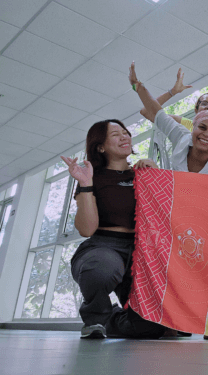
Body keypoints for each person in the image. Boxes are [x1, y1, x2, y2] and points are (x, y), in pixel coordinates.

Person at [63, 119, 166, 339]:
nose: (124, 136)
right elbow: (86, 229)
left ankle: (111, 318)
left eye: (125, 132)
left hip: (140, 250)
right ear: (100, 146)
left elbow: (164, 216)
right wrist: (86, 183)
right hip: (103, 246)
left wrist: (158, 175)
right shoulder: (92, 177)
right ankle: (95, 319)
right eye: (115, 134)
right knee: (101, 270)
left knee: (150, 327)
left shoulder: (143, 173)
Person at [130, 62, 208, 176]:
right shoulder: (181, 134)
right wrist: (137, 86)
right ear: (193, 127)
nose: (206, 134)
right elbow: (156, 113)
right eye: (202, 127)